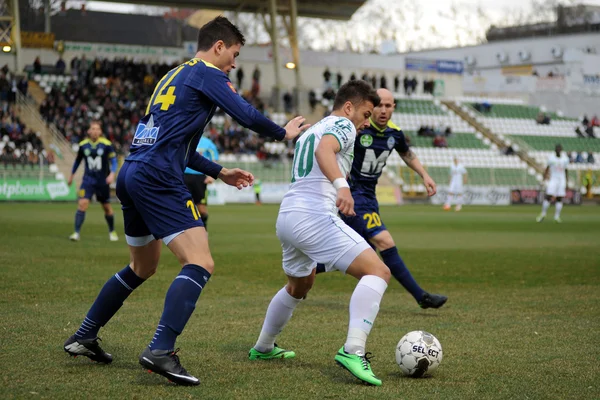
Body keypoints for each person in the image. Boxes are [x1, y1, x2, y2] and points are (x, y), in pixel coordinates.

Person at [63, 16, 309, 386]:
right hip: (159, 176)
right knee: (200, 261)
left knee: (141, 267)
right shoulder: (209, 73)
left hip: (133, 171)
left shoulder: (173, 76)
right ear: (219, 46)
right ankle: (161, 349)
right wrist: (282, 132)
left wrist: (220, 170)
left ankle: (84, 334)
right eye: (235, 54)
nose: (235, 64)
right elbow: (244, 114)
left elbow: (179, 143)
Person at [248, 80, 391, 386]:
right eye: (366, 114)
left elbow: (319, 149)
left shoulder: (314, 128)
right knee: (378, 272)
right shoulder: (343, 124)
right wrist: (342, 187)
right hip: (313, 214)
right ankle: (353, 350)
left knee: (299, 286)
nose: (366, 123)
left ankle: (263, 347)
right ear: (349, 107)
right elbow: (326, 150)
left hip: (288, 216)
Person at [316, 88, 447, 309]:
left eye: (389, 106)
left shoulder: (394, 133)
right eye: (379, 106)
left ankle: (307, 268)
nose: (383, 110)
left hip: (370, 197)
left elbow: (407, 154)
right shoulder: (357, 129)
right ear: (370, 106)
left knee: (361, 252)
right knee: (384, 241)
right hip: (354, 196)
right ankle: (421, 296)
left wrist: (425, 175)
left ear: (394, 107)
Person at [67, 120, 119, 242]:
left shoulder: (106, 145)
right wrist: (71, 176)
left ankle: (112, 231)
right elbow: (77, 162)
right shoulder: (83, 145)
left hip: (102, 181)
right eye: (93, 129)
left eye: (97, 129)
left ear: (100, 131)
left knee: (106, 207)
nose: (95, 131)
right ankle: (76, 233)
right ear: (89, 131)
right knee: (82, 204)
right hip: (88, 180)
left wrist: (112, 174)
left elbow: (114, 161)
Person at [183, 136, 219, 231]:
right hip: (184, 175)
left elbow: (214, 159)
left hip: (200, 178)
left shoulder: (207, 143)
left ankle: (204, 231)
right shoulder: (184, 138)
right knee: (183, 207)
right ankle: (186, 233)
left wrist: (211, 176)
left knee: (201, 209)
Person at [537, 144, 569, 223]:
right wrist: (543, 179)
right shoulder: (551, 158)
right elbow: (547, 169)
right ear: (555, 150)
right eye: (557, 149)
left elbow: (566, 170)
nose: (558, 150)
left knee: (559, 198)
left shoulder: (565, 159)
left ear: (561, 150)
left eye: (559, 149)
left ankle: (557, 216)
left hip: (562, 180)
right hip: (553, 179)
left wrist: (567, 181)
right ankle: (543, 213)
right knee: (548, 196)